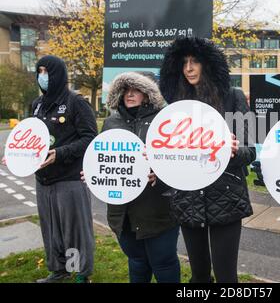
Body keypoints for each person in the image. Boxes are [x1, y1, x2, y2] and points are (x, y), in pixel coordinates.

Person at [159, 37, 256, 283]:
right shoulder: (176, 107)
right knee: (199, 276)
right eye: (184, 63)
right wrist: (159, 156)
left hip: (226, 195)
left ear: (208, 64)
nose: (188, 68)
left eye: (195, 61)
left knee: (226, 277)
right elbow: (170, 153)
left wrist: (234, 151)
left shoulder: (233, 97)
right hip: (188, 197)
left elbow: (250, 150)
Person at [101, 71, 180, 283]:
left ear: (148, 93)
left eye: (136, 89)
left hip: (158, 210)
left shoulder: (165, 121)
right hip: (122, 214)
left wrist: (161, 175)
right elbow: (102, 158)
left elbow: (181, 163)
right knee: (137, 263)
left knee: (163, 263)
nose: (130, 94)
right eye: (125, 89)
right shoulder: (111, 122)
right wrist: (93, 174)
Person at [32, 55, 97, 283]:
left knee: (74, 231)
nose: (42, 76)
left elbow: (90, 138)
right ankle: (59, 270)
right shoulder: (36, 104)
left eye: (46, 71)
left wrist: (60, 153)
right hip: (43, 180)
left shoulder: (75, 102)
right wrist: (16, 156)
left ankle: (80, 273)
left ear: (58, 74)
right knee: (51, 230)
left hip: (69, 179)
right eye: (39, 71)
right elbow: (29, 137)